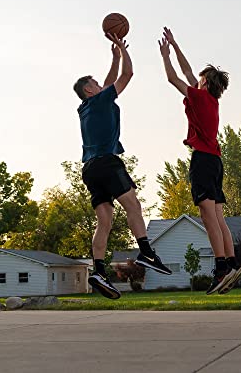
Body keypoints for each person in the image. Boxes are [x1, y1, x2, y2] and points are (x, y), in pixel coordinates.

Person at [73, 32, 171, 299]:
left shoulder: (87, 106)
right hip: (107, 163)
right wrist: (123, 52)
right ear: (89, 90)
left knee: (104, 222)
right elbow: (127, 75)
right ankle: (147, 253)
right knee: (133, 205)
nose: (99, 84)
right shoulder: (100, 100)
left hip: (90, 169)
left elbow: (107, 82)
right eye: (94, 83)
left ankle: (98, 271)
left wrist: (113, 57)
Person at [158, 26, 241, 295]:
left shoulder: (198, 97)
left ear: (204, 83)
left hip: (204, 162)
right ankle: (231, 264)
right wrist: (175, 44)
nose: (195, 80)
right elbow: (188, 74)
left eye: (200, 79)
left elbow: (174, 77)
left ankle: (221, 270)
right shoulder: (209, 101)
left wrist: (165, 55)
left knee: (208, 219)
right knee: (219, 219)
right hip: (215, 161)